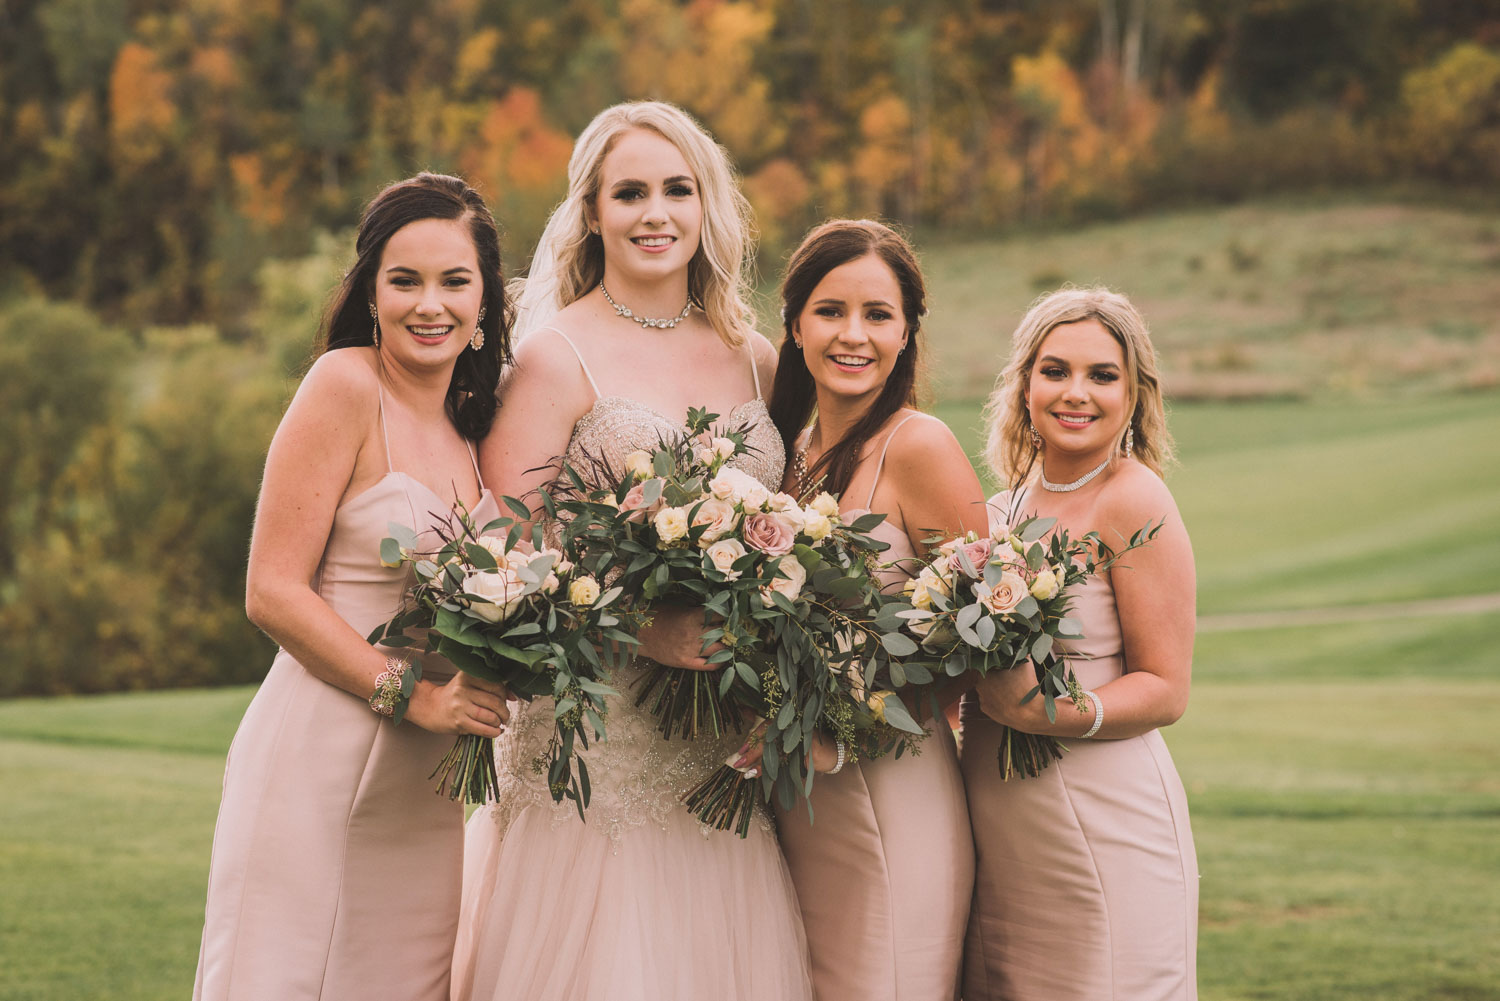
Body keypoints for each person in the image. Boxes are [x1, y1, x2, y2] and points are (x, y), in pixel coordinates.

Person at [451, 101, 813, 1001]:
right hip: (597, 743)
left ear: (706, 205)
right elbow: (511, 549)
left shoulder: (756, 358)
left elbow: (796, 528)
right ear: (593, 211)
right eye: (631, 193)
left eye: (677, 190)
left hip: (717, 741)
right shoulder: (555, 355)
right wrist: (644, 627)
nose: (656, 213)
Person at [194, 173, 515, 1001]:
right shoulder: (345, 385)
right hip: (318, 759)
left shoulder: (474, 426)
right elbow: (272, 589)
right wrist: (413, 695)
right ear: (371, 292)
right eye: (405, 280)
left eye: (454, 281)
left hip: (425, 789)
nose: (429, 304)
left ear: (485, 299)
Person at [766, 219, 984, 1001]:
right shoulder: (786, 456)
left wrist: (854, 706)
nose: (852, 334)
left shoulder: (919, 445)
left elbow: (983, 636)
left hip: (894, 792)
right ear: (795, 325)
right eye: (830, 311)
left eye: (877, 314)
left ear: (905, 333)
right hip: (802, 801)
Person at [961, 286, 1198, 1001]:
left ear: (1134, 394)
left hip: (1107, 815)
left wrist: (1051, 713)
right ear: (1024, 383)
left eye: (1102, 375)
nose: (1076, 392)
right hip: (1004, 820)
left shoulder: (1134, 498)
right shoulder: (1000, 508)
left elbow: (1166, 688)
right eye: (1055, 370)